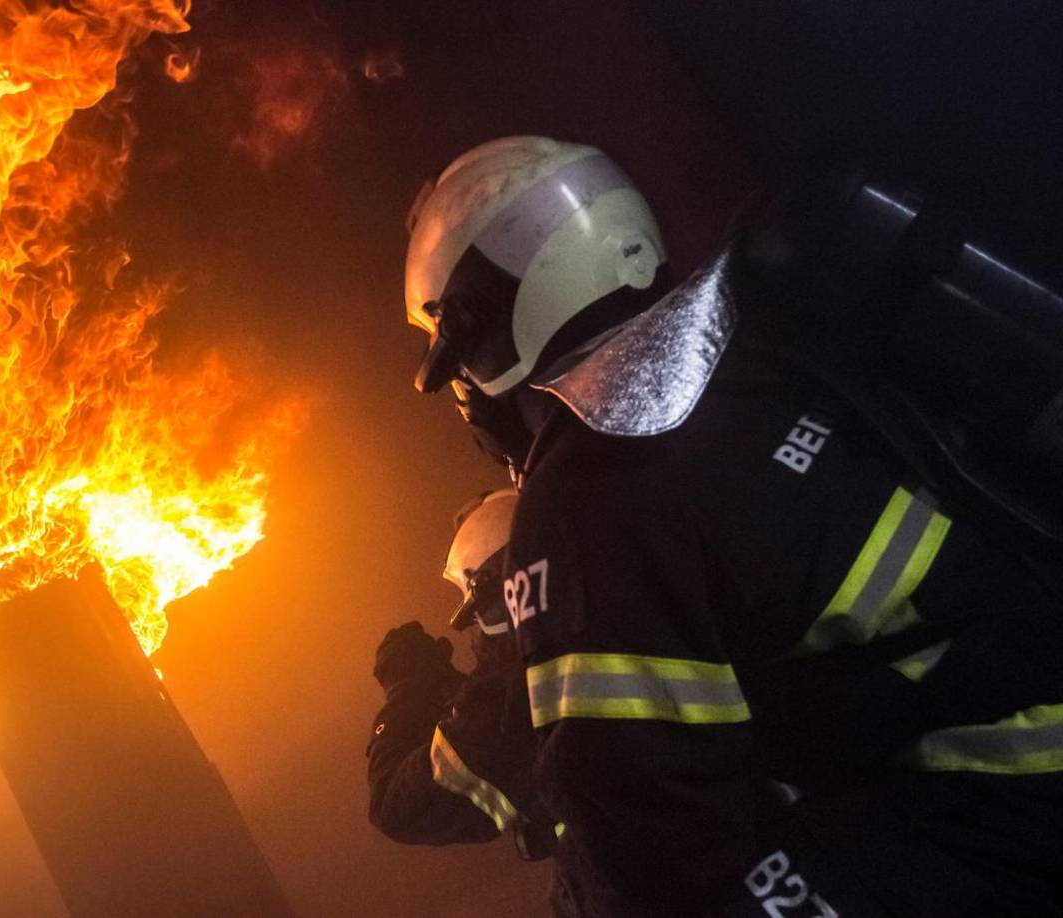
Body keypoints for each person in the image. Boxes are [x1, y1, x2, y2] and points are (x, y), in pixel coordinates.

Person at [402, 135, 1063, 915]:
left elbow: (651, 846)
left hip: (1005, 805)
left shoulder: (591, 489)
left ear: (482, 322)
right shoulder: (762, 327)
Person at [367, 489, 561, 867]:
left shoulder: (520, 696)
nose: (476, 627)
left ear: (500, 594)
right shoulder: (618, 616)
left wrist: (406, 688)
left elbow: (398, 807)